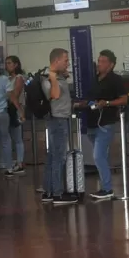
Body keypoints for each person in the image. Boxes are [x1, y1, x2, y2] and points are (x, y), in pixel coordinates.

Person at [78, 49, 129, 202]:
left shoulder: (116, 80)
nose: (99, 64)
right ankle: (105, 186)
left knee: (98, 155)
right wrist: (84, 103)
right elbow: (90, 97)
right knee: (101, 156)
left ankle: (107, 189)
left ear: (111, 64)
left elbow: (124, 100)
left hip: (105, 123)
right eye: (99, 61)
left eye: (103, 61)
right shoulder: (95, 79)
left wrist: (107, 103)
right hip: (92, 122)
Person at [42, 48, 76, 205]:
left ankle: (48, 191)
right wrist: (54, 79)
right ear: (56, 61)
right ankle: (57, 193)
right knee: (58, 157)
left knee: (52, 156)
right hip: (57, 120)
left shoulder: (60, 77)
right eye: (65, 60)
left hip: (61, 119)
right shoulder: (49, 78)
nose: (68, 63)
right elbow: (54, 95)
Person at [4, 55, 27, 175]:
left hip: (16, 108)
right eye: (6, 63)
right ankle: (14, 161)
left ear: (16, 64)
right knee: (9, 138)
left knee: (17, 138)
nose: (7, 65)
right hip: (8, 108)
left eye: (9, 63)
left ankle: (20, 162)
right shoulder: (7, 78)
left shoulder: (19, 78)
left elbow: (15, 94)